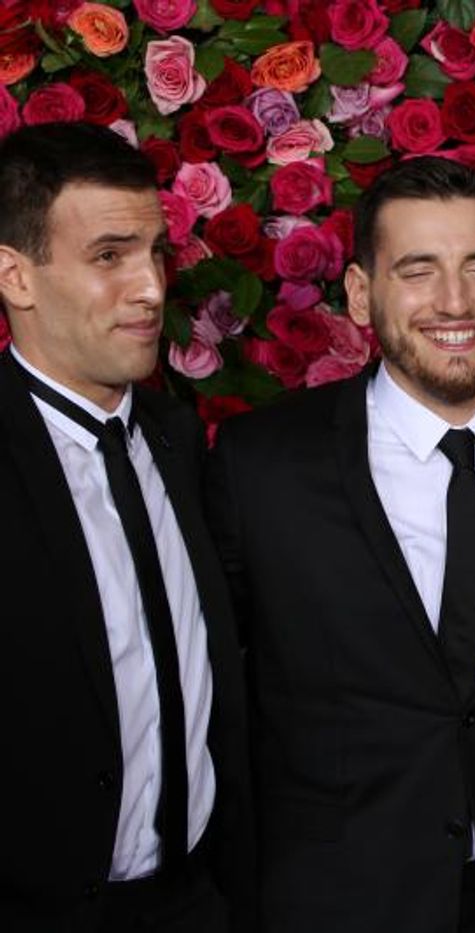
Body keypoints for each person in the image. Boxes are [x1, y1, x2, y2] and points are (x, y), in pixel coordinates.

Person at [204, 156, 475, 932]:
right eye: (418, 271)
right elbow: (215, 697)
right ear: (359, 293)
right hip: (336, 900)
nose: (455, 301)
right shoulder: (262, 466)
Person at [0, 123, 254, 932]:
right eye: (109, 256)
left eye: (154, 252)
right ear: (16, 277)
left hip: (199, 902)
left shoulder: (177, 439)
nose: (150, 287)